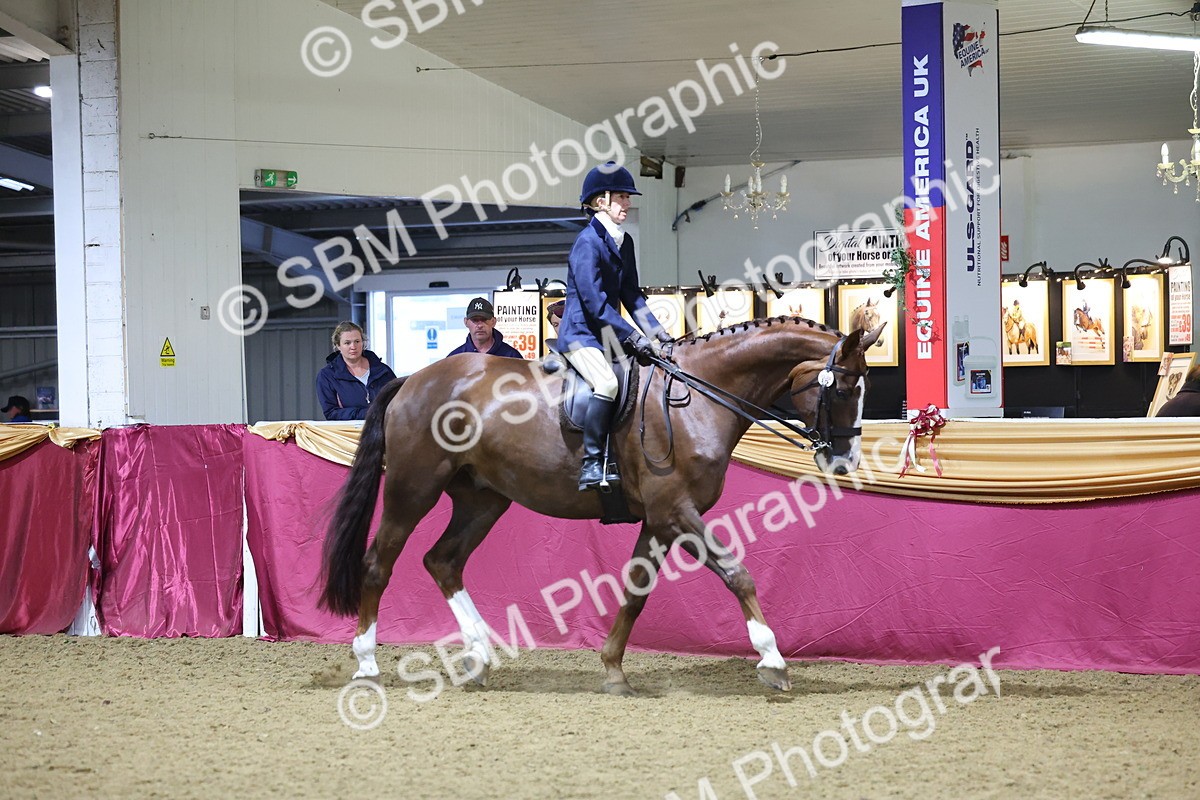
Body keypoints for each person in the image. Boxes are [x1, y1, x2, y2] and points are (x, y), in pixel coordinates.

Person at [559, 161, 674, 491]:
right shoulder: (586, 243)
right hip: (581, 333)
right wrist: (633, 338)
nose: (627, 203)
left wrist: (658, 334)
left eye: (627, 198)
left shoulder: (624, 242)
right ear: (600, 202)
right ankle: (592, 462)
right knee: (607, 384)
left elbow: (631, 295)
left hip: (607, 335)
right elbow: (595, 305)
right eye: (621, 197)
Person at [316, 322, 397, 421]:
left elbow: (398, 402)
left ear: (363, 342)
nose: (353, 347)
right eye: (347, 343)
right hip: (349, 433)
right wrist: (368, 413)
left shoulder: (383, 370)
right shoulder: (327, 376)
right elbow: (331, 413)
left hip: (384, 430)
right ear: (338, 345)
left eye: (357, 341)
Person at [446, 297, 524, 359]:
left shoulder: (511, 356)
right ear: (466, 322)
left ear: (493, 321)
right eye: (475, 320)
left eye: (484, 320)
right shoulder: (455, 359)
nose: (480, 325)